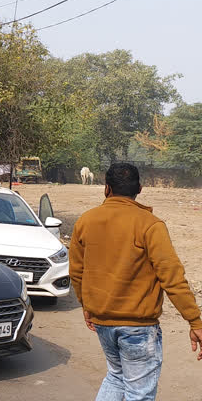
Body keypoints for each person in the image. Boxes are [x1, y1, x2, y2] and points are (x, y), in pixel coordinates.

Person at [70, 163, 202, 400]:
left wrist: (86, 306)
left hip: (102, 322)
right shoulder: (150, 225)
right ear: (139, 189)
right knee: (138, 393)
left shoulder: (86, 221)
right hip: (138, 327)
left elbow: (77, 272)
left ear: (106, 189)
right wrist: (195, 321)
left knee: (116, 377)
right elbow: (172, 278)